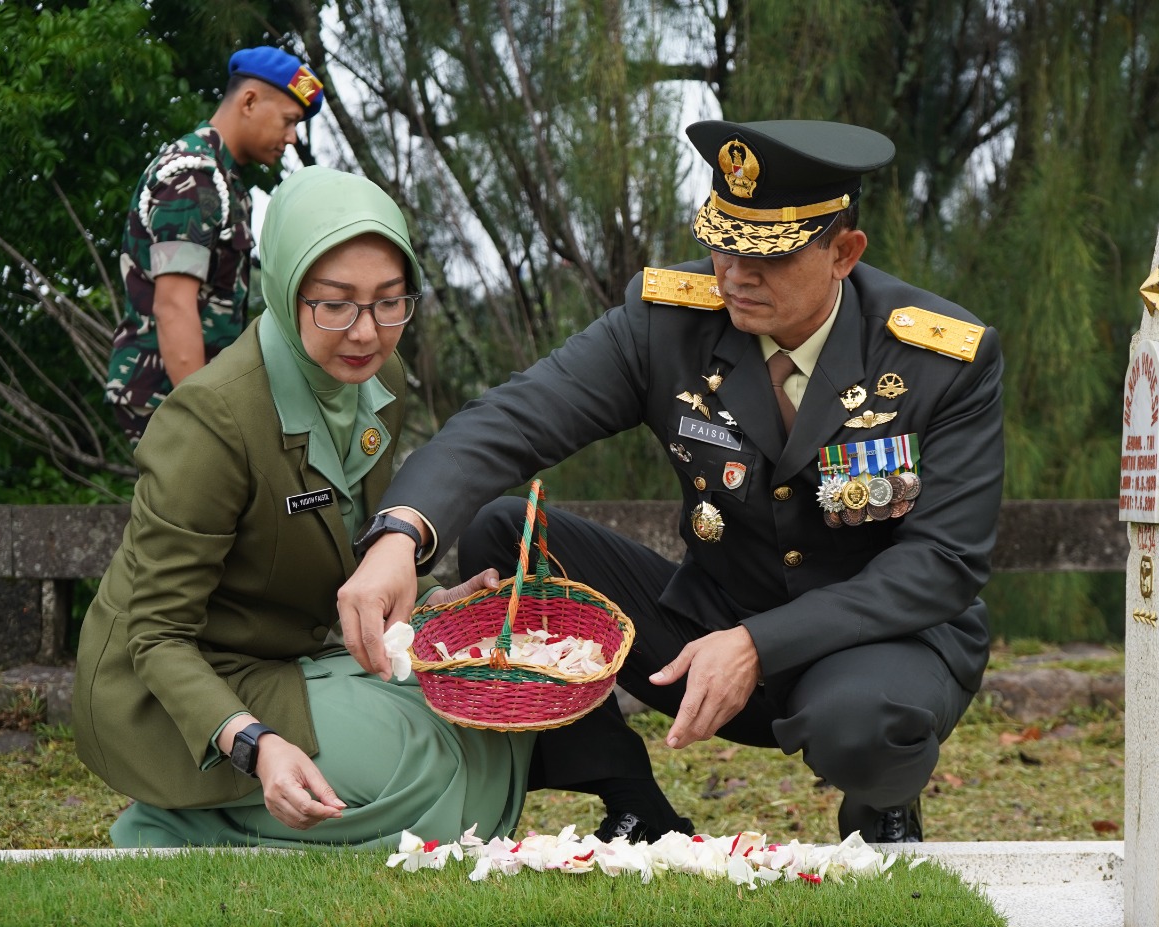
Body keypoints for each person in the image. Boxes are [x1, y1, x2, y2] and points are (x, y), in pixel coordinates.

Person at [338, 119, 1005, 844]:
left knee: (862, 722)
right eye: (724, 242)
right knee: (505, 537)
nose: (735, 275)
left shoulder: (939, 359)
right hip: (708, 626)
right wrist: (401, 532)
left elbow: (943, 562)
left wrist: (760, 642)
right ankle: (635, 804)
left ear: (843, 252)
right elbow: (516, 418)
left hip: (875, 646)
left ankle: (880, 805)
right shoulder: (669, 323)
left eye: (769, 256)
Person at [74, 165, 532, 849]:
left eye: (389, 302)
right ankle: (175, 823)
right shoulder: (211, 420)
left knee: (490, 716)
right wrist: (256, 745)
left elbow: (347, 541)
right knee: (421, 767)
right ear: (287, 289)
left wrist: (434, 601)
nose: (365, 333)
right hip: (182, 685)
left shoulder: (380, 380)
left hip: (296, 657)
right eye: (335, 305)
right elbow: (157, 636)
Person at [104, 46, 326, 446]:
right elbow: (174, 306)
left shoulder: (223, 180)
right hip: (169, 396)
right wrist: (205, 421)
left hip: (195, 391)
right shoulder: (194, 177)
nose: (292, 137)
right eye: (289, 120)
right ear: (249, 101)